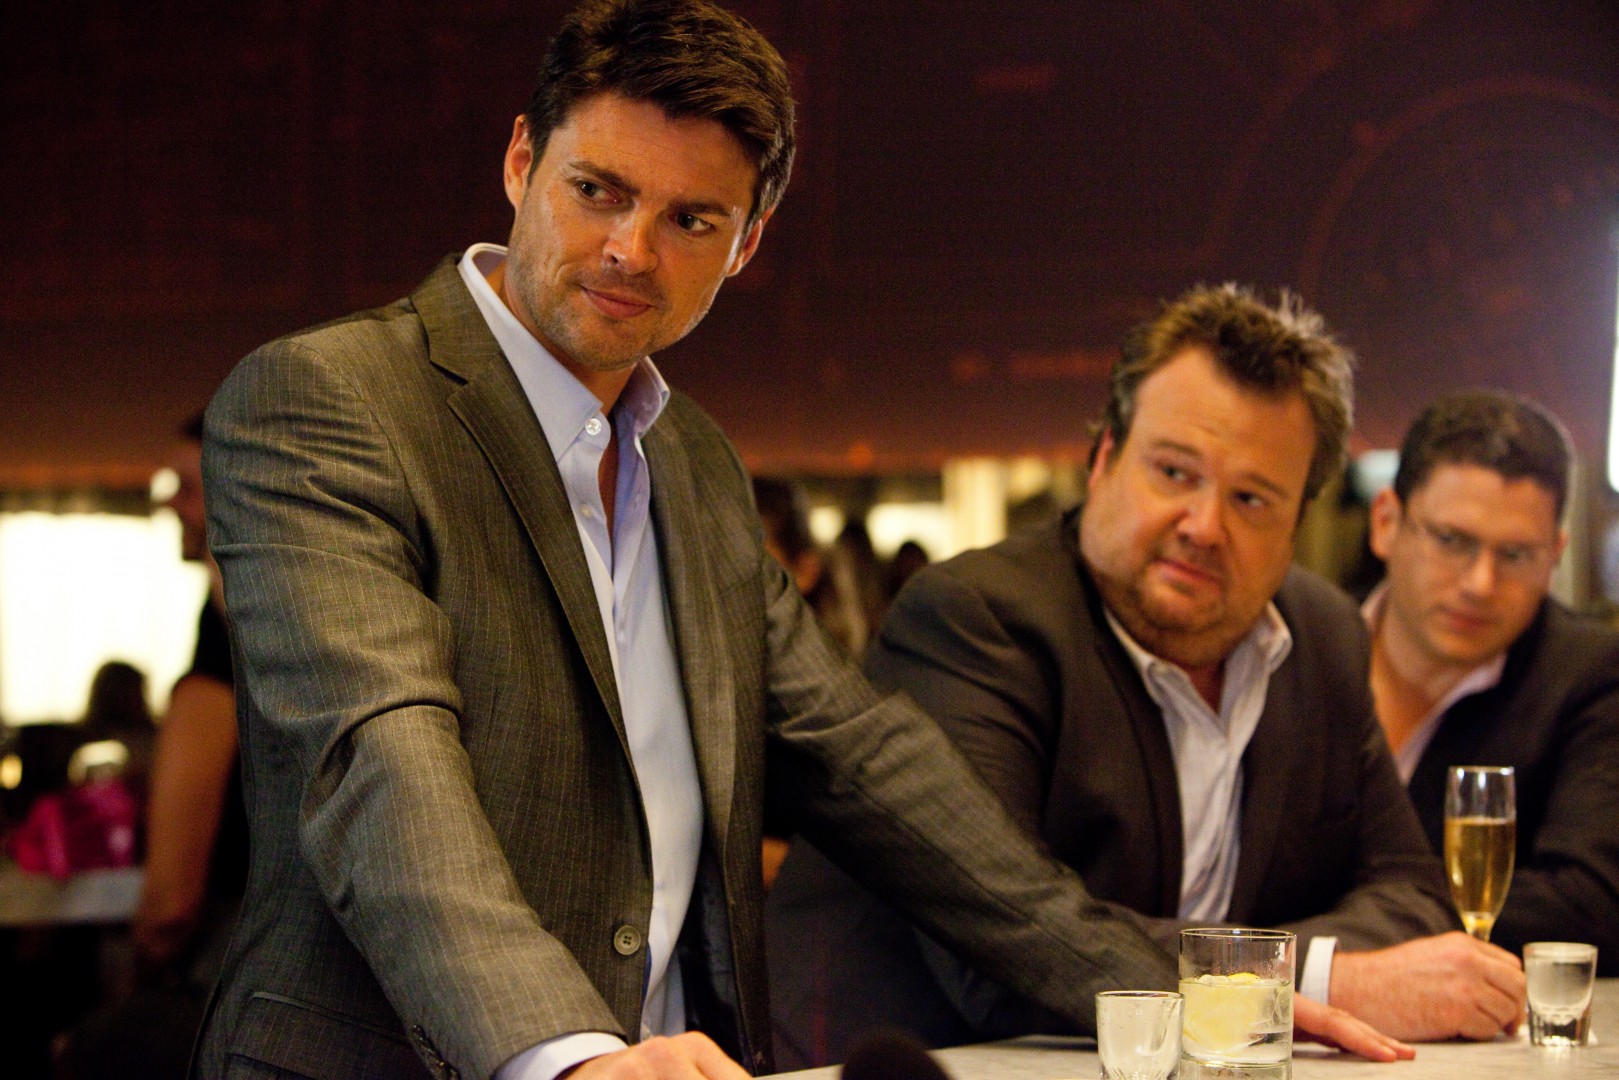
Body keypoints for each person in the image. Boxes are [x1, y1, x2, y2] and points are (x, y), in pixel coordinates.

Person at [196, 6, 1410, 1079]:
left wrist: (1217, 994)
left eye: (690, 217)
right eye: (597, 189)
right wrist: (567, 1053)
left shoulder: (695, 464)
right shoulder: (328, 401)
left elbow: (876, 774)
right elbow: (379, 767)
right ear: (521, 159)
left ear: (747, 243)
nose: (630, 249)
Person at [767, 284, 1528, 1068]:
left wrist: (1269, 979)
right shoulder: (978, 621)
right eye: (1172, 472)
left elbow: (1410, 894)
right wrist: (1313, 981)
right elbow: (997, 952)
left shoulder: (1321, 635)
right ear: (1102, 461)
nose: (1203, 526)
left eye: (1250, 498)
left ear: (1295, 524)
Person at [1365, 390, 1619, 973]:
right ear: (1386, 523)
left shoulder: (1590, 676)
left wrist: (1351, 928)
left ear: (1555, 555)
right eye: (1451, 540)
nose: (1480, 583)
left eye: (1516, 554)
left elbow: (1588, 905)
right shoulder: (1298, 644)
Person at [58, 413, 246, 1080]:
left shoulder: (225, 648)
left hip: (237, 981)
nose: (170, 503)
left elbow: (169, 904)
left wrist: (141, 976)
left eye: (189, 487)